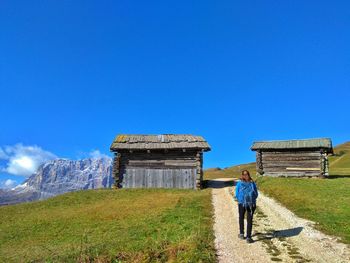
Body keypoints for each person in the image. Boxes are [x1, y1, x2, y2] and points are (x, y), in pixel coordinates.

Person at [235, 170, 258, 243]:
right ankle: (248, 237)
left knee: (241, 217)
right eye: (245, 174)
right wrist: (252, 200)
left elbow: (236, 193)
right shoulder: (252, 183)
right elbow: (256, 194)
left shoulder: (239, 183)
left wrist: (240, 199)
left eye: (246, 174)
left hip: (242, 203)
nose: (245, 175)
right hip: (251, 204)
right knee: (249, 219)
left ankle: (242, 234)